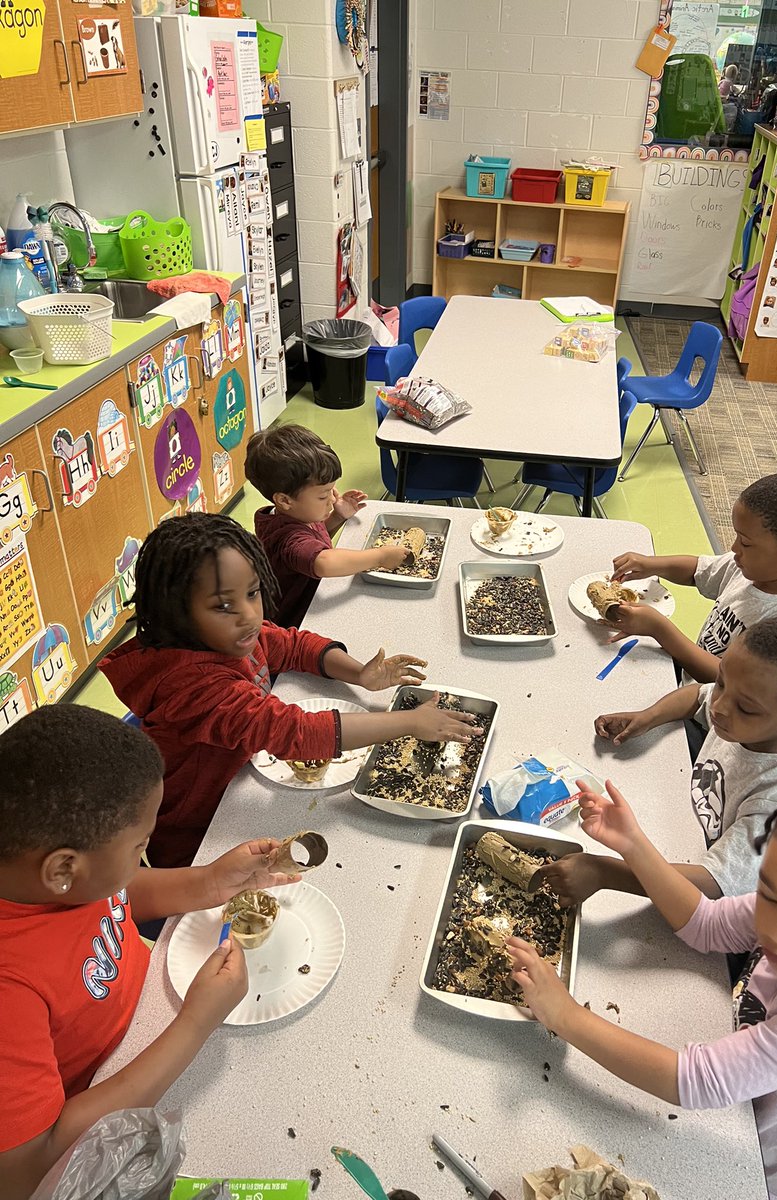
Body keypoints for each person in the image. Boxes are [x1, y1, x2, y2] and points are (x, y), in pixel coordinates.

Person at [509, 780, 777, 1200]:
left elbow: (694, 1081)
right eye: (768, 894)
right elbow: (708, 924)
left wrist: (565, 1015)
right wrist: (632, 844)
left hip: (764, 1174)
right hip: (742, 1104)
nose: (776, 930)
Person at [0, 705, 301, 1200]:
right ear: (61, 869)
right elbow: (29, 1166)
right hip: (106, 1098)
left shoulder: (47, 875)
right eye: (140, 843)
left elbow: (114, 893)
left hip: (146, 1020)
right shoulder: (9, 995)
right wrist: (195, 1023)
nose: (148, 847)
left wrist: (207, 882)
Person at [100, 513, 480, 868]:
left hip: (239, 789)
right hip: (200, 837)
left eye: (252, 593)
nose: (249, 615)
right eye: (223, 606)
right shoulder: (194, 686)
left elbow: (296, 646)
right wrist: (407, 722)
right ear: (175, 613)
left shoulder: (233, 636)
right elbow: (297, 733)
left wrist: (360, 675)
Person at [550, 616, 777, 902]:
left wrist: (604, 873)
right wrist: (647, 718)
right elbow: (697, 696)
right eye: (721, 682)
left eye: (745, 707)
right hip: (683, 824)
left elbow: (711, 883)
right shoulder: (739, 715)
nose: (719, 707)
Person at [607, 469, 777, 685]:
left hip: (713, 722)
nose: (734, 548)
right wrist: (651, 565)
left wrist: (660, 629)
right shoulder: (751, 567)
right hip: (689, 684)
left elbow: (728, 683)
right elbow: (698, 570)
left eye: (746, 542)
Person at [245, 424, 408, 627]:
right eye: (323, 495)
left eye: (332, 490)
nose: (332, 499)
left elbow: (312, 541)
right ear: (285, 500)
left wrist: (336, 518)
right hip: (296, 624)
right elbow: (323, 562)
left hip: (313, 605)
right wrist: (380, 556)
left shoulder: (299, 515)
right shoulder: (285, 536)